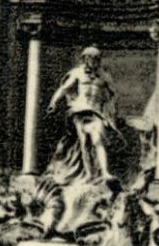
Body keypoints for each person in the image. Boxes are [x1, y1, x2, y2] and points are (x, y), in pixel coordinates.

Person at [46, 47, 119, 185]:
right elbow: (64, 88)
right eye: (90, 58)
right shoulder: (77, 73)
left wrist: (110, 109)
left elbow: (113, 94)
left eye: (96, 58)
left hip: (97, 112)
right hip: (80, 110)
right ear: (85, 59)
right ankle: (89, 174)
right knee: (84, 143)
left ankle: (104, 172)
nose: (93, 61)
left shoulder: (105, 76)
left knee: (98, 139)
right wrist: (53, 102)